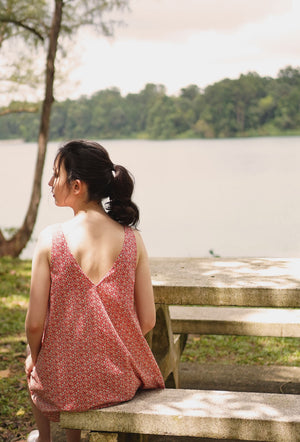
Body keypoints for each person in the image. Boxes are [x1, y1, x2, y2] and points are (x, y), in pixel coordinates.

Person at [25, 140, 165, 442]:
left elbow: (34, 324)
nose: (51, 182)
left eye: (56, 175)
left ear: (76, 186)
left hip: (65, 383)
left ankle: (46, 439)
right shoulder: (132, 239)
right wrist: (107, 346)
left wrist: (37, 358)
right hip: (120, 382)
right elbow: (149, 320)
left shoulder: (51, 239)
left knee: (35, 362)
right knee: (69, 359)